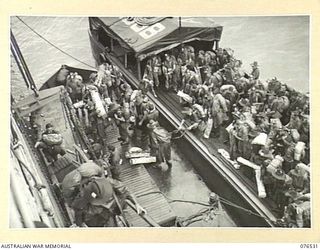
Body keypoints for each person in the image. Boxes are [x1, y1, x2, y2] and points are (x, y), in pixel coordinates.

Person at [71, 174, 145, 227]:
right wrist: (80, 224)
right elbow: (77, 209)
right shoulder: (84, 195)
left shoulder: (109, 182)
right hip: (98, 218)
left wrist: (136, 203)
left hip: (113, 210)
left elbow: (125, 189)